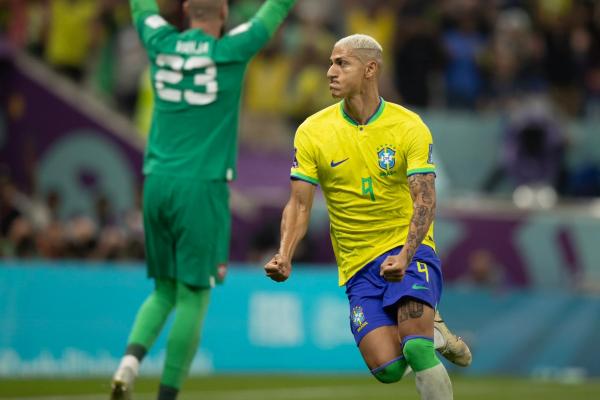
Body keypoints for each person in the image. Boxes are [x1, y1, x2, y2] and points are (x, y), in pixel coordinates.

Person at [265, 34, 470, 399]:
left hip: (409, 251)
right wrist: (285, 253)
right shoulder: (313, 131)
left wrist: (407, 254)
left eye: (342, 63)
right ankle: (434, 330)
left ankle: (425, 335)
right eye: (330, 62)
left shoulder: (408, 126)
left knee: (416, 349)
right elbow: (298, 204)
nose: (330, 72)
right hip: (358, 266)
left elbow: (424, 200)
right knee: (389, 370)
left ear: (370, 68)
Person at [110, 1, 297, 399]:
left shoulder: (159, 40)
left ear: (184, 10)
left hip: (156, 181)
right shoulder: (230, 49)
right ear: (223, 14)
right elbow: (275, 10)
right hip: (202, 186)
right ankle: (167, 394)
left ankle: (129, 362)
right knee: (195, 293)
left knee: (163, 289)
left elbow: (140, 6)